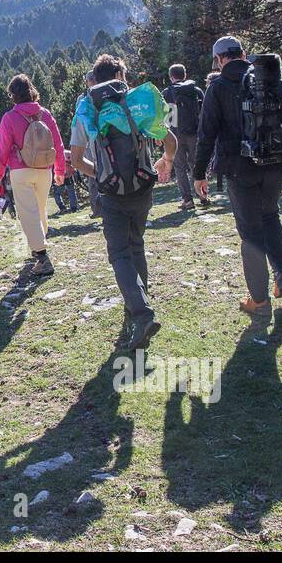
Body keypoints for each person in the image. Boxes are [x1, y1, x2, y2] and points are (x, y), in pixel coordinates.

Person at [193, 37, 282, 321]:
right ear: (244, 54)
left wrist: (199, 173)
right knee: (270, 215)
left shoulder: (218, 88)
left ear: (220, 59)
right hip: (276, 165)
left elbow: (206, 134)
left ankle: (258, 299)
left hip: (239, 168)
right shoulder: (272, 79)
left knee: (249, 232)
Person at [68, 56, 175, 350]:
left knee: (119, 253)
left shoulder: (86, 108)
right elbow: (170, 140)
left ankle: (140, 313)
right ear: (118, 74)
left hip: (111, 193)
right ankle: (138, 304)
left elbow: (76, 160)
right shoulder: (138, 100)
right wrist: (166, 162)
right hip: (142, 187)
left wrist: (101, 174)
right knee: (136, 244)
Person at [0, 74, 66, 277]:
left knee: (28, 212)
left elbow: (2, 148)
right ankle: (37, 247)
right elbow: (57, 144)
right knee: (40, 208)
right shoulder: (46, 114)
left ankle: (42, 257)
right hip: (45, 169)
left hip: (20, 169)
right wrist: (60, 169)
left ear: (13, 95)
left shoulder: (10, 117)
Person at [162, 63, 207, 210]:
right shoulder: (196, 90)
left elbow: (166, 118)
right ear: (185, 74)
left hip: (176, 135)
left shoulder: (167, 93)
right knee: (197, 164)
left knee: (180, 167)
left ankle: (188, 200)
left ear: (171, 77)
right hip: (195, 133)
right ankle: (203, 195)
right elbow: (204, 113)